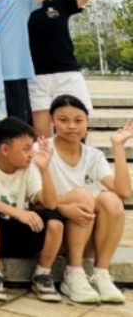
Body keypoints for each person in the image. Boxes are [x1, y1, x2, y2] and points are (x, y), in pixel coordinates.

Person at [25, 0, 133, 138]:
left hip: (66, 75)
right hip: (34, 78)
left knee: (76, 132)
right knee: (42, 139)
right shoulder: (13, 7)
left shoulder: (59, 5)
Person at [46, 96, 131, 304]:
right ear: (52, 121)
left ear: (87, 122)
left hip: (86, 232)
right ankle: (73, 273)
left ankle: (100, 274)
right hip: (52, 233)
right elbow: (34, 201)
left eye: (78, 120)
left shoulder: (93, 156)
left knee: (111, 199)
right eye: (63, 120)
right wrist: (64, 208)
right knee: (83, 195)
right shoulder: (43, 151)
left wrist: (118, 146)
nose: (71, 126)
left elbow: (123, 191)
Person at [0, 116, 62, 302]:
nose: (31, 154)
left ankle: (42, 274)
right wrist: (18, 213)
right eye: (26, 149)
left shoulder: (28, 167)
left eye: (31, 148)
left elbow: (50, 203)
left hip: (21, 236)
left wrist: (44, 169)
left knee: (54, 218)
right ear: (5, 149)